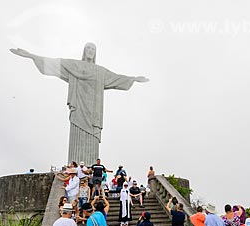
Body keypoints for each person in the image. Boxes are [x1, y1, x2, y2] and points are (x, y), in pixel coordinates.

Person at [10, 44, 149, 164]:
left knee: (92, 137)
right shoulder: (74, 65)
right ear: (84, 50)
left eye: (93, 48)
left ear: (95, 52)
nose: (90, 50)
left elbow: (116, 78)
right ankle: (74, 166)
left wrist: (134, 79)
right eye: (88, 48)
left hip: (93, 113)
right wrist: (31, 56)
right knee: (76, 134)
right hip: (78, 110)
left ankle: (89, 167)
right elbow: (54, 63)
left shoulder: (100, 71)